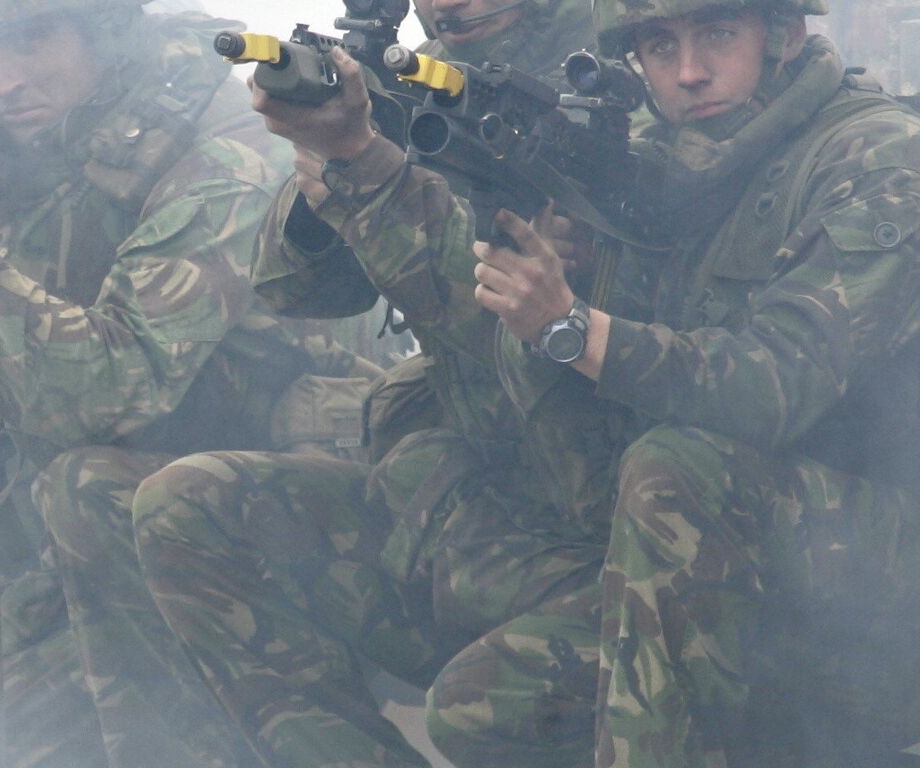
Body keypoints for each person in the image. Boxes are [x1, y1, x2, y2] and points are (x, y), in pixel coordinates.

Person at [0, 0, 368, 763]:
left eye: (31, 42)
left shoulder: (229, 152)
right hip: (90, 518)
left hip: (255, 531)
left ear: (104, 31)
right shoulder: (23, 156)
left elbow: (111, 391)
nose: (2, 82)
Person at [130, 1, 641, 766]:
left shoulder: (630, 77)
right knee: (188, 505)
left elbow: (502, 323)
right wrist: (328, 156)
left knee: (475, 705)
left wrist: (366, 169)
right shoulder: (419, 76)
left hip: (600, 538)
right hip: (472, 506)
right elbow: (296, 289)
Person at [469, 0, 920, 764]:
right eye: (658, 44)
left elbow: (782, 381)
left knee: (674, 470)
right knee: (478, 707)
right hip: (733, 547)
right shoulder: (671, 161)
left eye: (717, 34)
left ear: (781, 34)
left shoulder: (878, 154)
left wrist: (575, 328)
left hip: (881, 571)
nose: (688, 71)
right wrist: (567, 276)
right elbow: (584, 457)